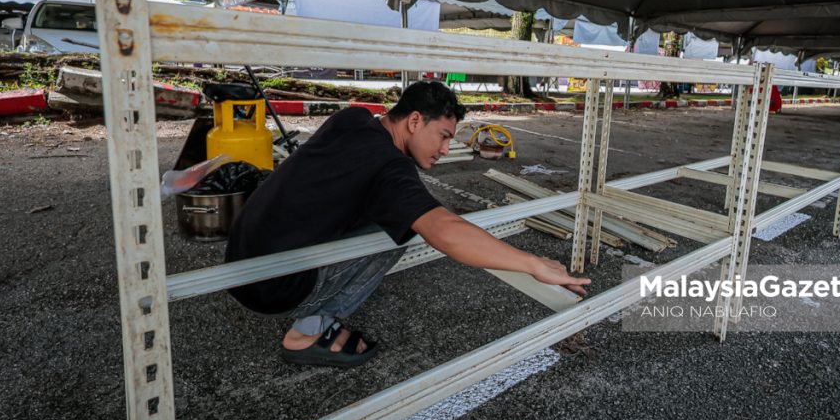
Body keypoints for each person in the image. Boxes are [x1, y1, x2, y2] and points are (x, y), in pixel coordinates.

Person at [226, 81, 590, 367]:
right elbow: (444, 231)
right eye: (444, 136)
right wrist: (533, 264)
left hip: (242, 258)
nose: (447, 149)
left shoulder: (352, 119)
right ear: (414, 121)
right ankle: (306, 333)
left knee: (389, 217)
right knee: (398, 231)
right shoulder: (390, 168)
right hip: (273, 288)